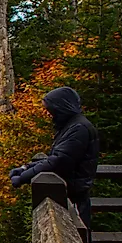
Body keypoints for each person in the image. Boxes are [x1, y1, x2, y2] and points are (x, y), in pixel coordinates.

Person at [9, 86, 99, 227]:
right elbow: (57, 157)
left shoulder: (78, 129)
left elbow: (58, 162)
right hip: (70, 195)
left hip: (73, 198)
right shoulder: (72, 126)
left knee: (80, 242)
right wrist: (25, 168)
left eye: (50, 110)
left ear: (61, 108)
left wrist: (22, 178)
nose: (48, 114)